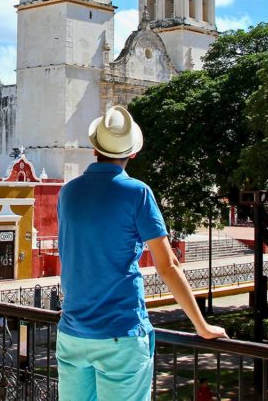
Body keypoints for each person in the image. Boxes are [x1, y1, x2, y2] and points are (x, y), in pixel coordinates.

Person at [56, 105, 228, 401]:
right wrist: (202, 325)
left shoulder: (68, 192)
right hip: (120, 334)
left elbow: (74, 252)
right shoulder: (137, 193)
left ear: (94, 147)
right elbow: (168, 265)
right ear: (133, 153)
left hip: (72, 333)